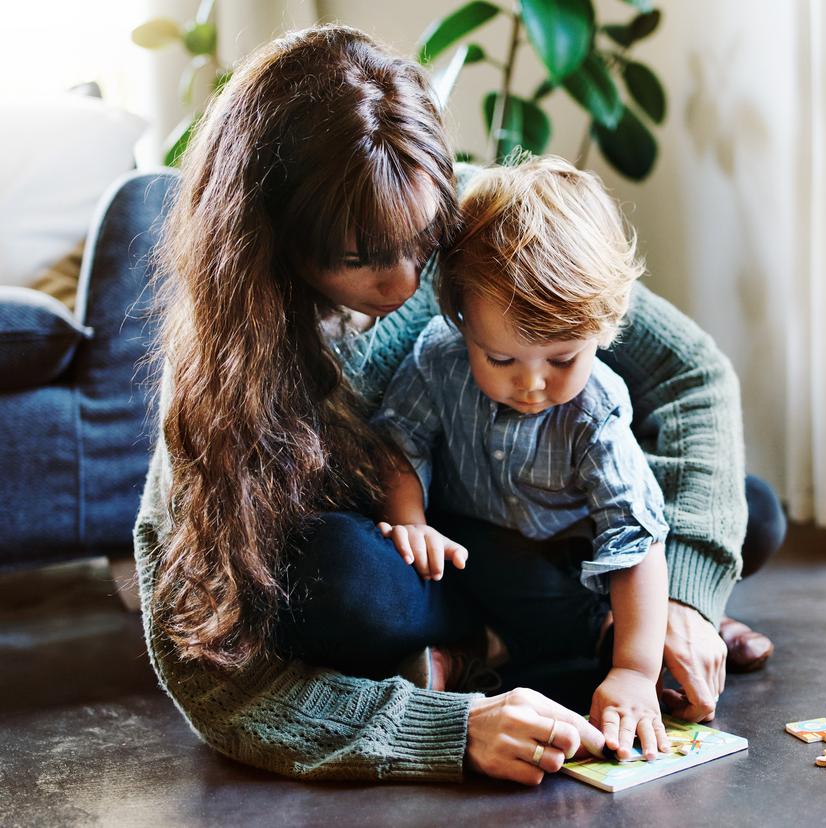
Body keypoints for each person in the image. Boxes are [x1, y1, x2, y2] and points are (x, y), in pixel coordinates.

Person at [133, 23, 782, 787]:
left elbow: (691, 373)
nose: (407, 282)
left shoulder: (482, 219)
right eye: (361, 257)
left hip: (558, 524)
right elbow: (209, 677)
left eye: (421, 240)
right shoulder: (223, 360)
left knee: (747, 509)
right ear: (273, 239)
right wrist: (451, 731)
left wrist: (683, 597)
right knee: (334, 580)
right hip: (431, 561)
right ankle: (506, 648)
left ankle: (588, 633)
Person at [371, 155, 672, 760]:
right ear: (460, 322)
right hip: (475, 550)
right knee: (455, 563)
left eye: (562, 360)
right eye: (501, 360)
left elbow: (634, 542)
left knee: (752, 517)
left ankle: (641, 641)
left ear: (603, 328)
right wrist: (410, 521)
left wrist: (635, 673)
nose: (532, 385)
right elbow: (396, 444)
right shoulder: (438, 357)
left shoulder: (597, 408)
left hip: (571, 562)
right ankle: (525, 647)